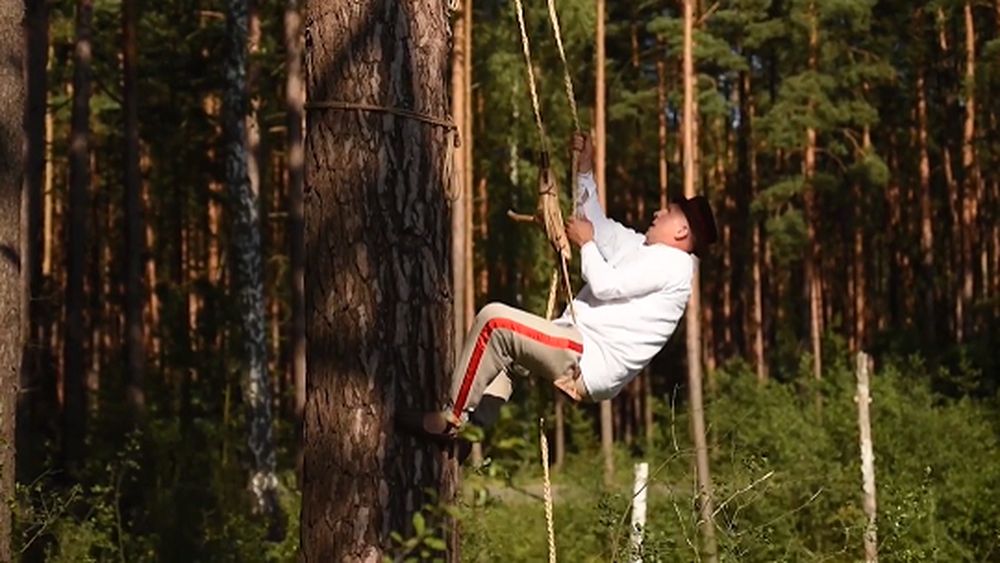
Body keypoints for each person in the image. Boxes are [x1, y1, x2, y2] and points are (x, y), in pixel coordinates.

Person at [400, 133, 718, 441]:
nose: (657, 212)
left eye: (668, 212)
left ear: (681, 229)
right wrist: (585, 171)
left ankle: (452, 418)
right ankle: (477, 428)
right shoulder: (643, 249)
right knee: (509, 356)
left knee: (494, 322)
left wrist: (588, 244)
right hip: (581, 350)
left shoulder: (674, 266)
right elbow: (593, 223)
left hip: (587, 358)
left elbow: (607, 284)